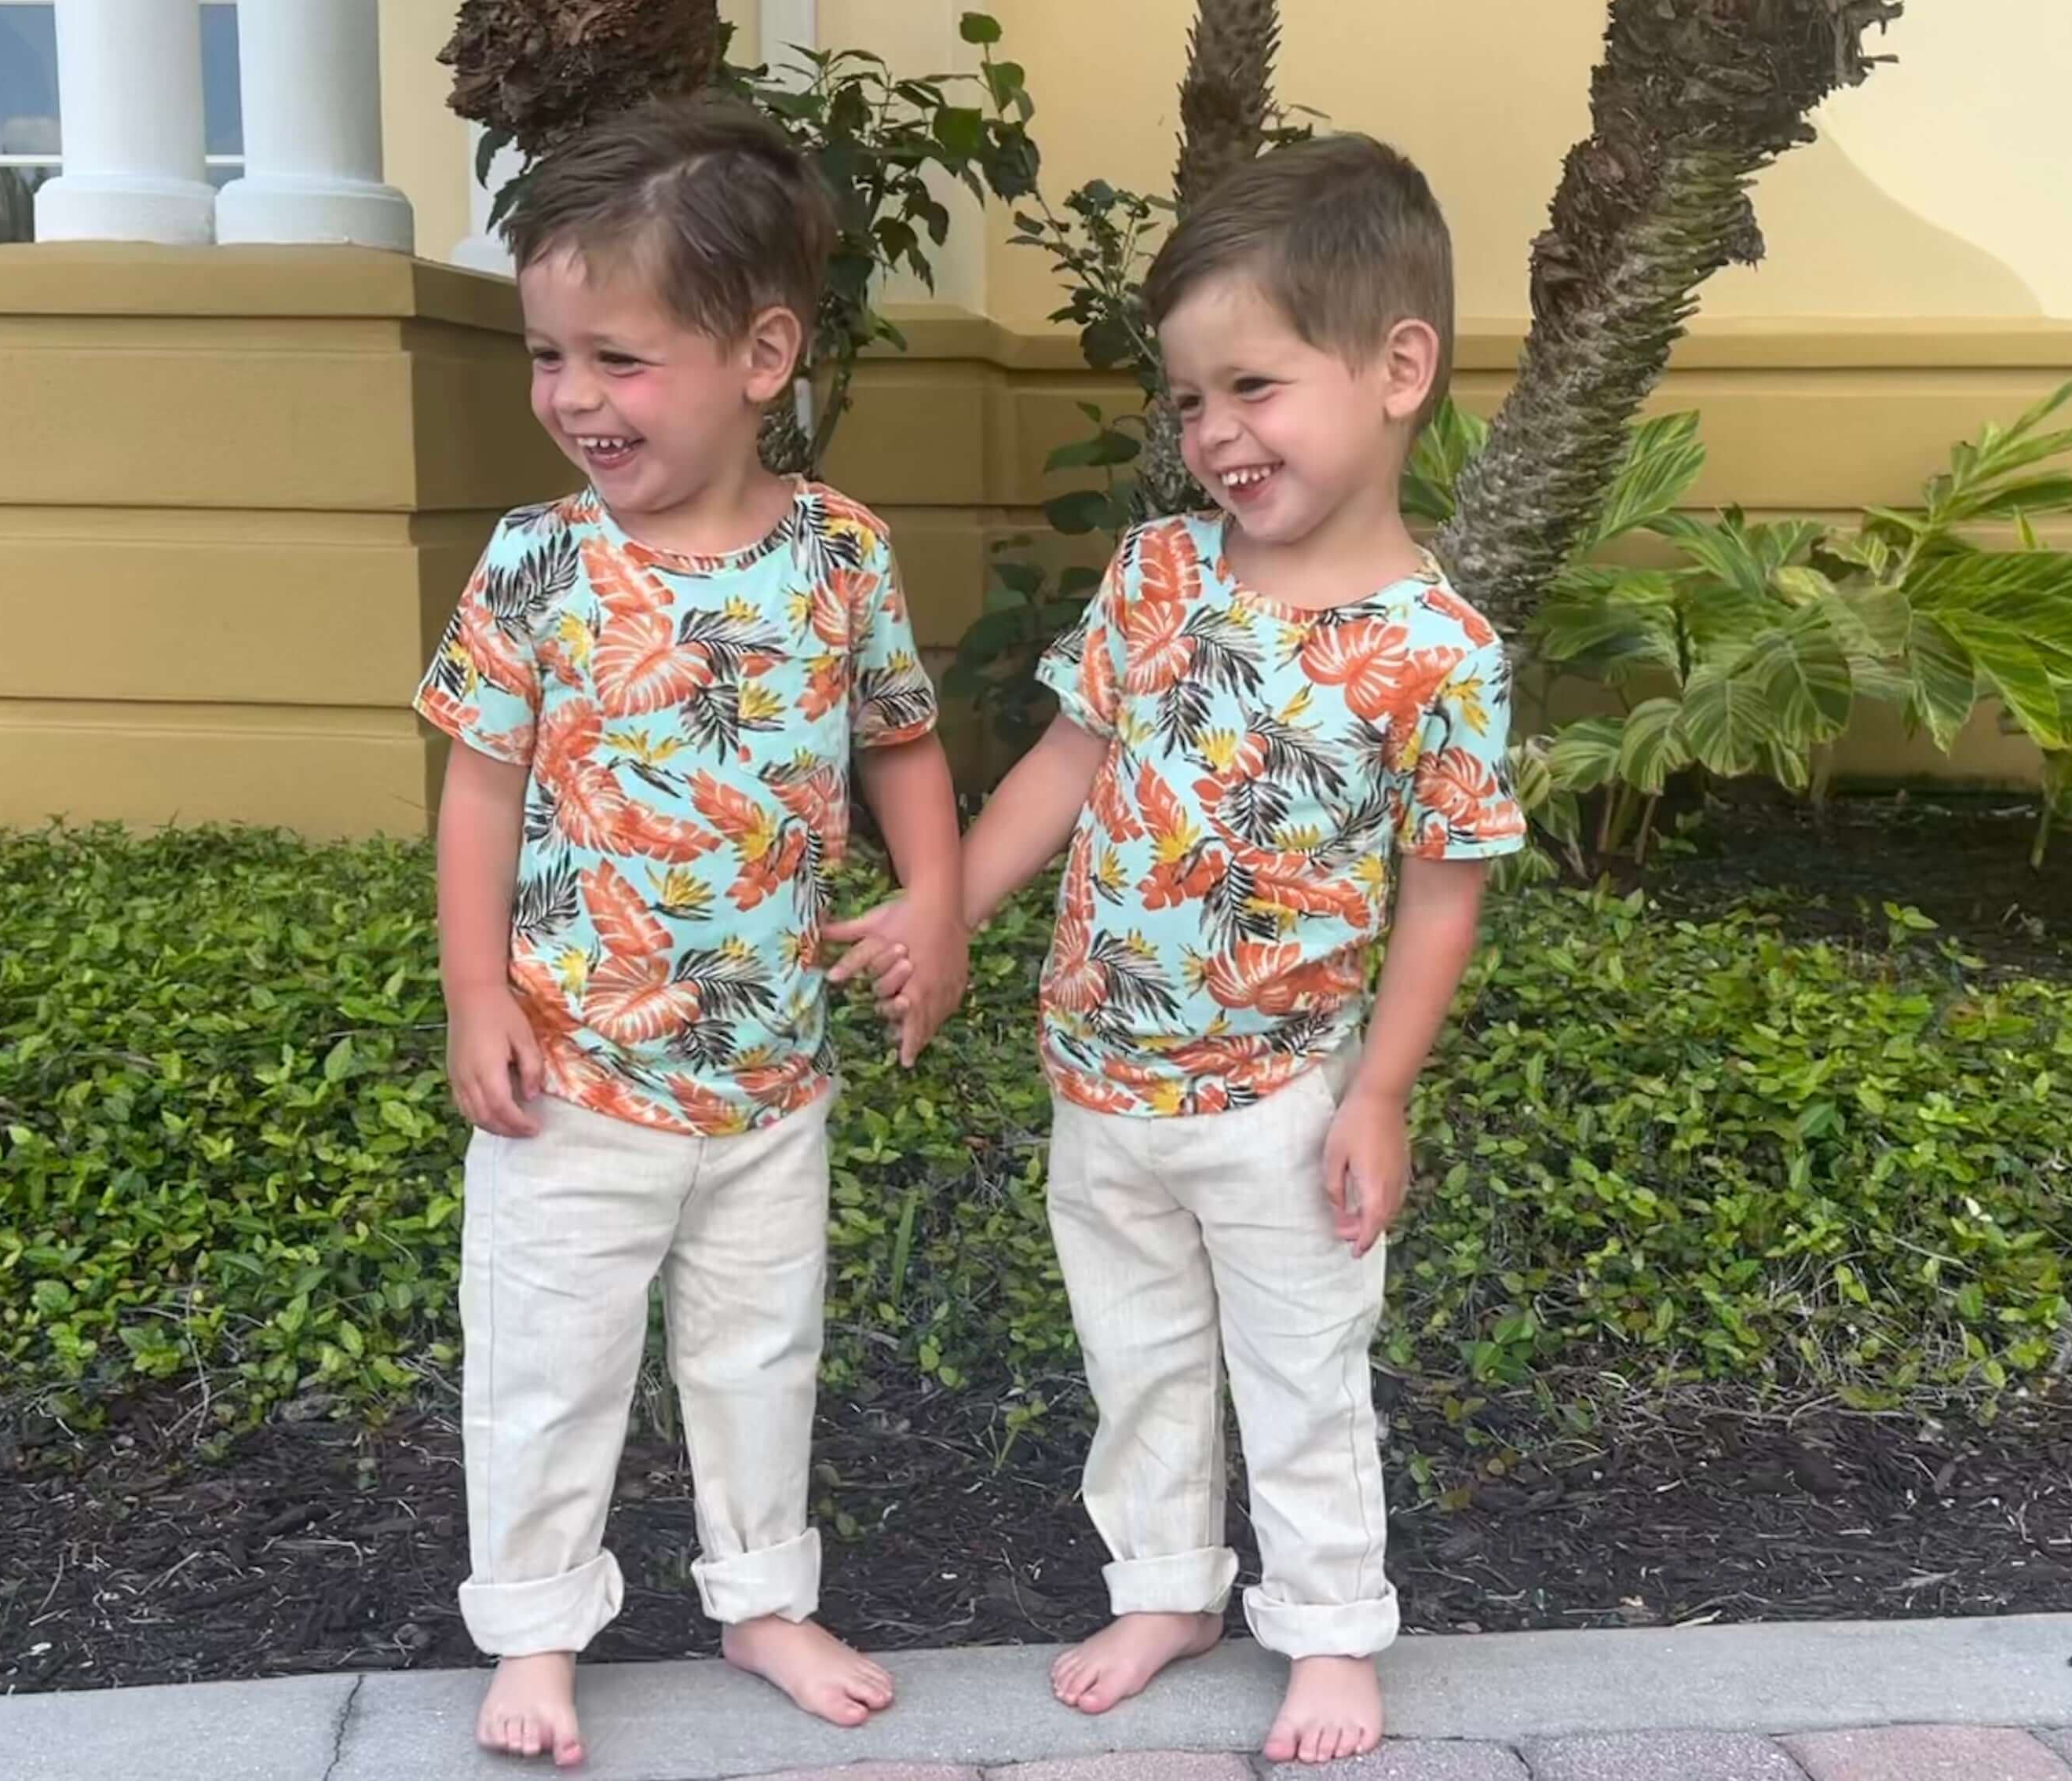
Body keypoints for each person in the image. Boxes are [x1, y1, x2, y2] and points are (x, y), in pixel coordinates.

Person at [840, 132, 1525, 1765]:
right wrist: (945, 903)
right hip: (1103, 1082)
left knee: (1302, 1377)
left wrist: (1382, 1093)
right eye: (1192, 401)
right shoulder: (1156, 576)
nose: (1216, 433)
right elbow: (1068, 766)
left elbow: (1444, 888)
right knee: (1137, 1361)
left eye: (1256, 389)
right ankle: (1165, 1585)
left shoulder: (1440, 653)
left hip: (1283, 1096)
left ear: (1400, 369)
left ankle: (1333, 1628)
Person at [413, 97, 967, 1769]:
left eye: (620, 358)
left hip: (769, 1079)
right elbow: (476, 791)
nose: (574, 398)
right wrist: (472, 995)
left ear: (762, 353)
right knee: (547, 1369)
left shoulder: (841, 557)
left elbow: (904, 747)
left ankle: (759, 1597)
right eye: (547, 356)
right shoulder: (536, 567)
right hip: (572, 1073)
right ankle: (533, 1625)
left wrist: (934, 902)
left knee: (758, 1352)